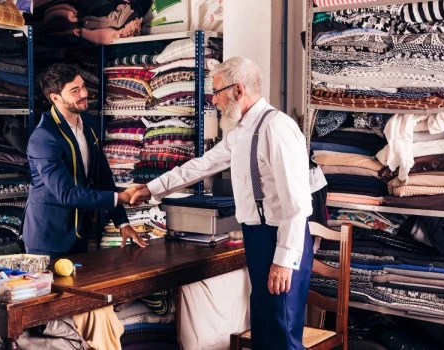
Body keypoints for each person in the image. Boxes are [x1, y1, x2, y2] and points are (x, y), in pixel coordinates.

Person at [130, 57, 314, 349]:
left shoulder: (277, 128)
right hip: (256, 237)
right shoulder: (240, 134)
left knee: (283, 332)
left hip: (280, 238)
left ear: (238, 90)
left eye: (216, 92)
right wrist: (150, 188)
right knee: (264, 332)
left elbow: (297, 202)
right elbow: (201, 166)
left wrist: (283, 260)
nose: (212, 100)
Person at [22, 63, 147, 261]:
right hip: (48, 238)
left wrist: (122, 222)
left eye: (82, 86)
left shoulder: (89, 125)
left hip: (80, 234)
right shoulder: (44, 138)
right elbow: (67, 193)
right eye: (75, 90)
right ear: (55, 98)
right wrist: (121, 198)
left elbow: (103, 176)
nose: (84, 93)